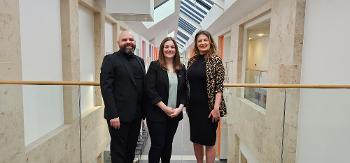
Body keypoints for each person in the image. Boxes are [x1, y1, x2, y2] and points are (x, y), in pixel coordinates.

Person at [100, 31, 145, 163]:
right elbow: (106, 88)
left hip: (136, 116)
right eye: (124, 39)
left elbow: (142, 87)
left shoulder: (140, 61)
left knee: (131, 150)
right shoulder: (110, 59)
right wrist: (113, 114)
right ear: (118, 43)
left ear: (135, 42)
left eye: (131, 39)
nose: (128, 42)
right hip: (118, 117)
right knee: (119, 152)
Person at [186, 30, 227, 163]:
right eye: (199, 41)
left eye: (205, 40)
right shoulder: (192, 61)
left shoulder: (216, 60)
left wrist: (216, 108)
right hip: (193, 108)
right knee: (196, 140)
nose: (203, 43)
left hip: (209, 108)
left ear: (210, 41)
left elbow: (219, 87)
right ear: (196, 44)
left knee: (209, 142)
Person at [145, 37, 187, 163]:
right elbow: (150, 89)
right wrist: (164, 108)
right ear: (162, 49)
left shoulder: (181, 67)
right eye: (167, 47)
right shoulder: (155, 66)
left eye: (172, 47)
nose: (170, 49)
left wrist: (180, 108)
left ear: (176, 50)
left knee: (168, 145)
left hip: (174, 115)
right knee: (157, 146)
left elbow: (185, 90)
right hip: (157, 114)